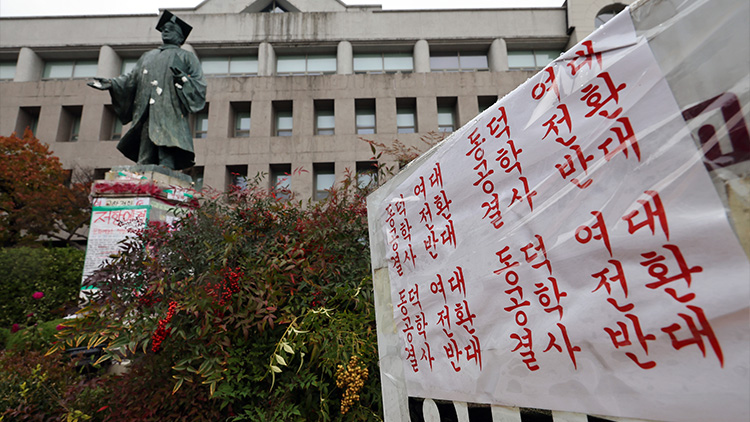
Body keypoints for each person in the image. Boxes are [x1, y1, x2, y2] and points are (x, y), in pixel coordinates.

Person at [88, 10, 206, 170]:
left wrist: (184, 79)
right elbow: (132, 78)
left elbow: (198, 83)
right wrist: (112, 83)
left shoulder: (186, 56)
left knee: (167, 137)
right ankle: (144, 162)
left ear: (179, 36)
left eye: (170, 29)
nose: (165, 30)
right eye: (164, 28)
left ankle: (166, 165)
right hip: (146, 107)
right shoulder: (148, 56)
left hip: (169, 107)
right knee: (146, 135)